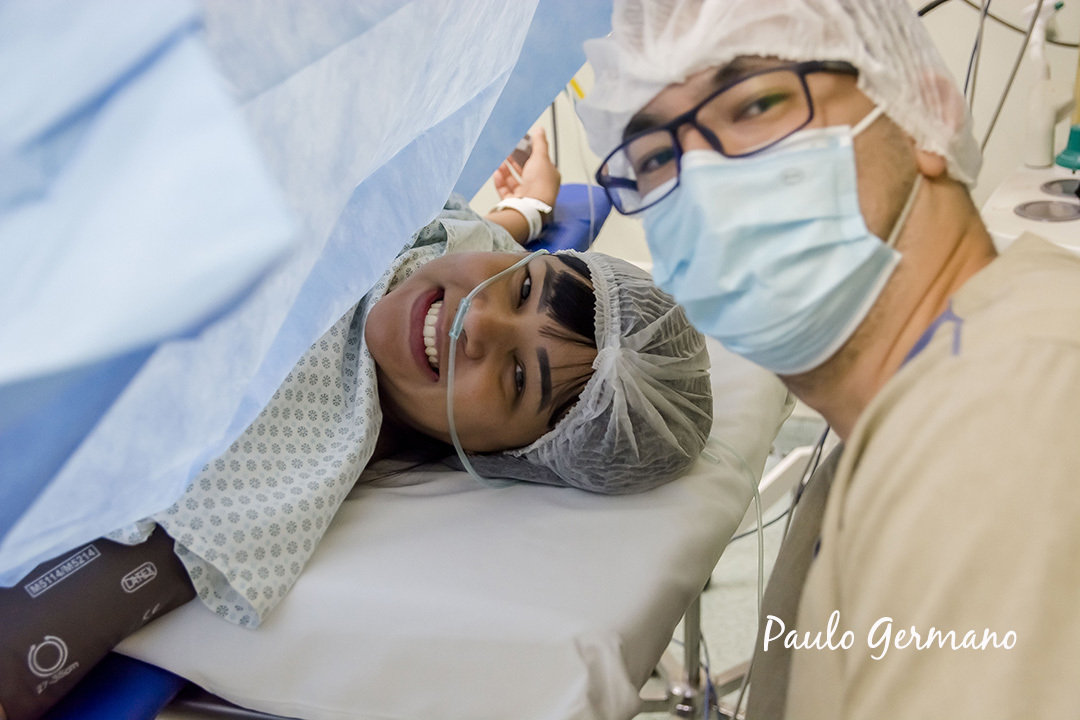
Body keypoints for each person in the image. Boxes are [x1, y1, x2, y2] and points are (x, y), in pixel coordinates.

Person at [0, 128, 715, 720]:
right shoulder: (452, 250)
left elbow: (41, 632)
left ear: (505, 457)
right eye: (524, 283)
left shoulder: (286, 468)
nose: (477, 317)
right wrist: (531, 205)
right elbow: (481, 242)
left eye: (516, 377)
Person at [577, 1, 1080, 718]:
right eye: (656, 156)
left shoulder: (1003, 425)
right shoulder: (912, 417)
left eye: (756, 103)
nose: (706, 184)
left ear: (922, 113)